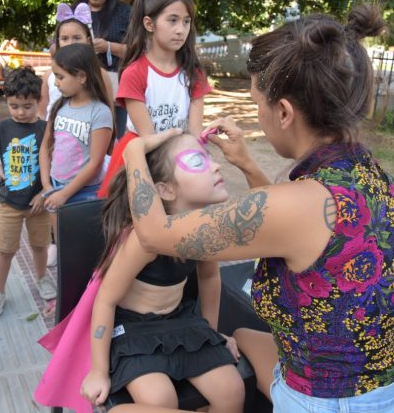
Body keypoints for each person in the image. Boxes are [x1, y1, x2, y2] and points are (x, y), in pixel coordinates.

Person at [121, 5, 394, 413]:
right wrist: (247, 164)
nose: (258, 115)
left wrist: (133, 155)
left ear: (283, 112)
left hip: (330, 405)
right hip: (393, 390)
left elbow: (153, 233)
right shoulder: (376, 178)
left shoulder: (300, 204)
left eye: (257, 103)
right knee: (245, 335)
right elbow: (289, 225)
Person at [35, 133, 244, 412]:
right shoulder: (144, 240)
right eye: (197, 161)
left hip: (180, 321)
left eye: (209, 158)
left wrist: (212, 333)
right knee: (159, 401)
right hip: (133, 330)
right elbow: (106, 300)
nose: (216, 166)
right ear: (165, 190)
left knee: (232, 391)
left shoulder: (206, 229)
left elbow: (209, 278)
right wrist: (98, 371)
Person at [97, 0, 211, 198]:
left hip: (180, 154)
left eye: (186, 22)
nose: (181, 29)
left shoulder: (194, 72)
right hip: (142, 155)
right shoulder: (134, 73)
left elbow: (195, 133)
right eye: (172, 20)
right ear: (149, 24)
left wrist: (194, 157)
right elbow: (148, 137)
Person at [0, 66, 55, 318]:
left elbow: (54, 162)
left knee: (40, 246)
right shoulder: (1, 128)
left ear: (39, 101)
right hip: (9, 204)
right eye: (14, 106)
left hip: (38, 205)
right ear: (6, 101)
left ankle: (42, 278)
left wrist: (44, 194)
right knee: (5, 250)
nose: (20, 112)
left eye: (27, 106)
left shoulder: (46, 129)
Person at [39, 43, 115, 227]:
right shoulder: (59, 106)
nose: (56, 83)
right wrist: (47, 185)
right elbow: (46, 146)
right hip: (55, 187)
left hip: (84, 194)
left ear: (81, 77)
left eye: (60, 77)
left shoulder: (100, 112)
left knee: (79, 241)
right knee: (60, 240)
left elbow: (95, 163)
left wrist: (64, 194)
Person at [39, 3, 114, 121]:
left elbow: (109, 116)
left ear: (88, 40)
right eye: (64, 38)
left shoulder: (100, 74)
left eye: (77, 38)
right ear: (58, 41)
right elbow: (41, 114)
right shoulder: (48, 76)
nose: (70, 43)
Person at [75, 0, 131, 139]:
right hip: (80, 85)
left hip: (114, 86)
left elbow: (138, 51)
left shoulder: (124, 12)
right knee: (82, 136)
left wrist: (108, 46)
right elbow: (57, 47)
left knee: (113, 135)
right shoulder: (74, 11)